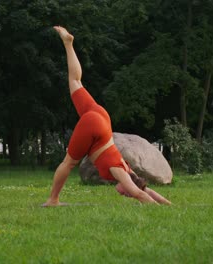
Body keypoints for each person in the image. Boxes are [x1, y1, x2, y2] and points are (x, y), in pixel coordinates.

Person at [43, 26, 172, 206]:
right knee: (68, 163)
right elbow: (139, 193)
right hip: (95, 125)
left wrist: (169, 206)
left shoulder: (129, 171)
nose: (123, 193)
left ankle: (68, 43)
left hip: (101, 119)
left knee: (75, 81)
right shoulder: (122, 173)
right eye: (126, 192)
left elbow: (144, 189)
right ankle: (53, 200)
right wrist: (155, 207)